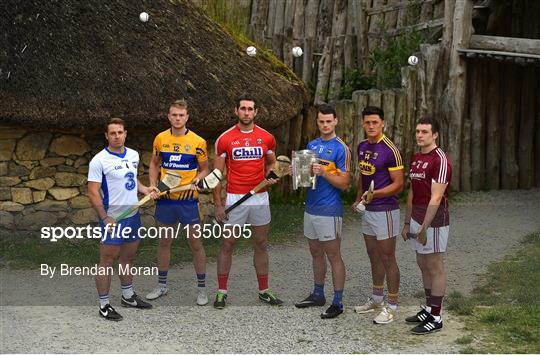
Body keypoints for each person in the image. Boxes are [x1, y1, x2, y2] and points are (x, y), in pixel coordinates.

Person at [212, 94, 282, 309]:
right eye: (242, 108)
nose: (246, 112)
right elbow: (216, 174)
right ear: (236, 111)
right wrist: (217, 204)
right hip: (235, 197)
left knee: (260, 243)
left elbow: (272, 164)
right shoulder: (225, 139)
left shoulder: (266, 137)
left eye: (250, 109)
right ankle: (222, 292)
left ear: (256, 112)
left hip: (260, 197)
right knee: (228, 244)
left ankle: (264, 290)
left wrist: (273, 175)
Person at [88, 118, 157, 321]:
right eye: (113, 133)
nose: (117, 136)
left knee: (128, 257)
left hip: (133, 215)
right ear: (107, 136)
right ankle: (104, 305)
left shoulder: (133, 155)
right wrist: (105, 217)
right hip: (113, 218)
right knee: (107, 261)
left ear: (125, 133)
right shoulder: (99, 160)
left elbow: (131, 180)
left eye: (120, 132)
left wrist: (145, 189)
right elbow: (92, 192)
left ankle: (128, 297)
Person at [145, 99, 210, 306]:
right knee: (164, 241)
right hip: (165, 200)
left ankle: (202, 289)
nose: (178, 118)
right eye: (174, 115)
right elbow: (154, 165)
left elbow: (205, 169)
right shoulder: (160, 139)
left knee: (195, 243)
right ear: (169, 116)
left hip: (188, 200)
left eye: (181, 115)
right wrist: (153, 185)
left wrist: (199, 179)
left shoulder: (198, 142)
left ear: (187, 117)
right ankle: (162, 285)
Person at [293, 104, 351, 319]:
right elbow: (306, 180)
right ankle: (318, 294)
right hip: (311, 207)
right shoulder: (312, 144)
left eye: (329, 121)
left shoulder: (341, 148)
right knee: (315, 253)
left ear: (336, 121)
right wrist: (298, 171)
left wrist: (324, 171)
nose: (325, 125)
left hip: (330, 210)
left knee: (333, 255)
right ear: (317, 122)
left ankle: (338, 301)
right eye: (321, 121)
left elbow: (345, 183)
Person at [352, 106, 404, 324]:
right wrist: (358, 198)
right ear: (363, 123)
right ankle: (376, 299)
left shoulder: (390, 149)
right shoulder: (362, 146)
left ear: (383, 123)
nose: (371, 126)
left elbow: (399, 184)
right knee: (373, 256)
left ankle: (391, 306)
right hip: (369, 212)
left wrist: (376, 194)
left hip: (385, 211)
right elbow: (363, 177)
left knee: (387, 258)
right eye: (367, 122)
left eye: (375, 122)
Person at [402, 117, 452, 334]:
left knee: (434, 265)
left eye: (424, 131)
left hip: (435, 218)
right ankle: (429, 308)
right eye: (417, 131)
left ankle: (437, 316)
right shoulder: (416, 157)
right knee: (422, 262)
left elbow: (437, 196)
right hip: (417, 217)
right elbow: (412, 191)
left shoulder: (440, 160)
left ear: (435, 135)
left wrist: (424, 227)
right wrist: (407, 222)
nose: (420, 135)